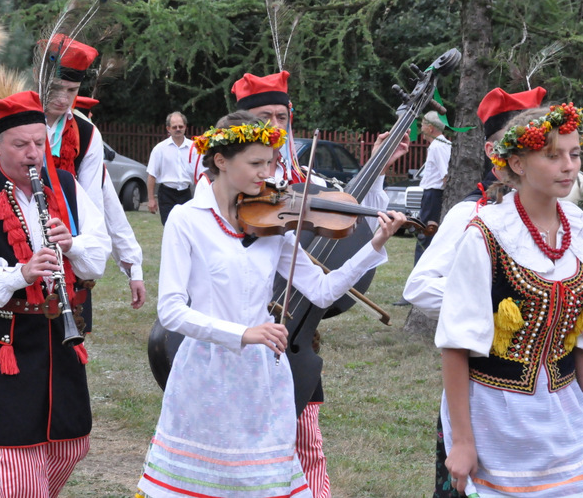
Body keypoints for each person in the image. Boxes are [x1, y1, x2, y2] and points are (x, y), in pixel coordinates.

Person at [136, 111, 406, 497]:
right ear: (221, 161)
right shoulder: (187, 219)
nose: (267, 173)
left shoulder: (271, 223)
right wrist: (244, 333)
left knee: (261, 483)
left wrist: (374, 245)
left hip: (261, 373)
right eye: (256, 164)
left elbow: (323, 291)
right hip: (206, 372)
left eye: (271, 163)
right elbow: (172, 311)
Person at [228, 70, 408, 498]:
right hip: (235, 334)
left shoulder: (303, 181)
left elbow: (350, 214)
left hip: (295, 327)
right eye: (264, 118)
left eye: (282, 117)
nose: (276, 126)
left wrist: (377, 167)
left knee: (306, 438)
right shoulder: (219, 192)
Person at [436, 104, 583, 496]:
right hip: (495, 417)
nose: (569, 166)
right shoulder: (487, 234)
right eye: (553, 156)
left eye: (575, 154)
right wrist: (463, 441)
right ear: (518, 163)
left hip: (567, 418)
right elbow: (456, 345)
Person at [0, 91, 111, 495]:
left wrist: (71, 245)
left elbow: (97, 254)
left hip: (57, 331)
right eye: (21, 144)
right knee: (17, 455)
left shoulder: (65, 185)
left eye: (39, 142)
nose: (33, 153)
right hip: (4, 337)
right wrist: (21, 273)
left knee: (72, 444)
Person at [402, 86, 547, 497]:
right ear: (494, 152)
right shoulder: (473, 212)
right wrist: (493, 309)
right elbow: (420, 287)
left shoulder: (562, 218)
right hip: (485, 383)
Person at [0, 34, 145, 322]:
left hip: (65, 251)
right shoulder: (6, 121)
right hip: (7, 243)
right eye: (55, 88)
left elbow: (97, 201)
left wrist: (129, 262)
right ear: (38, 78)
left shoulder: (86, 133)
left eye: (72, 90)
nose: (63, 99)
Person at [414, 110, 452, 264]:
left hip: (433, 195)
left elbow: (445, 174)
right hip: (433, 195)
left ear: (430, 128)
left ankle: (420, 267)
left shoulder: (438, 147)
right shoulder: (441, 145)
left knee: (425, 234)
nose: (421, 128)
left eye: (423, 125)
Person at [146, 111, 196, 224]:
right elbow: (151, 175)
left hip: (186, 193)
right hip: (167, 194)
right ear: (168, 129)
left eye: (180, 126)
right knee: (169, 225)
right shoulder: (160, 149)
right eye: (174, 127)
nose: (178, 129)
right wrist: (151, 199)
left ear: (185, 127)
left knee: (186, 226)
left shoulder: (194, 148)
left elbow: (199, 173)